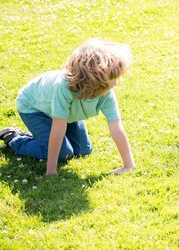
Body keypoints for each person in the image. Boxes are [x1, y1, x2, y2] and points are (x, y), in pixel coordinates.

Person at [0, 39, 136, 175]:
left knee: (83, 150)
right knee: (63, 154)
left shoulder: (105, 92)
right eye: (113, 77)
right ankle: (15, 138)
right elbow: (58, 126)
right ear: (95, 79)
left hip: (66, 113)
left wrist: (128, 165)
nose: (117, 83)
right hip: (34, 108)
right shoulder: (64, 87)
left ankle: (42, 139)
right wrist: (51, 169)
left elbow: (116, 128)